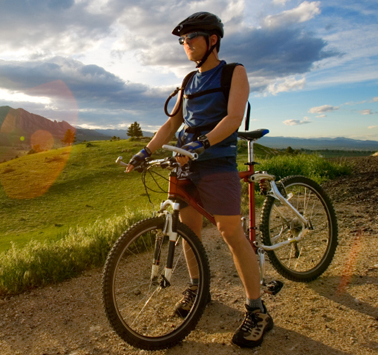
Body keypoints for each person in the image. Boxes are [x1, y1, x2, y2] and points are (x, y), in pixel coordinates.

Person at [125, 12, 272, 348]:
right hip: (185, 166)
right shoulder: (189, 81)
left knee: (230, 232)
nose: (185, 44)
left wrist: (203, 143)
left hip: (216, 164)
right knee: (188, 233)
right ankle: (198, 289)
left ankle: (257, 309)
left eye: (192, 38)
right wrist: (145, 152)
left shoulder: (234, 72)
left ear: (213, 40)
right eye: (182, 40)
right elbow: (171, 124)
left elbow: (234, 117)